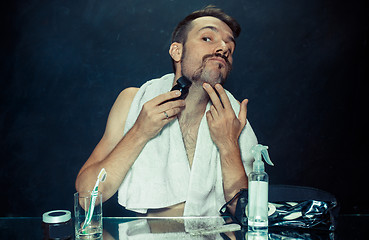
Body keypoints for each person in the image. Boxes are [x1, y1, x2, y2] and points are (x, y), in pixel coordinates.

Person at [75, 6, 257, 217]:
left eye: (230, 47)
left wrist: (228, 145)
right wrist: (140, 131)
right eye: (208, 38)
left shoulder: (233, 116)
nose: (223, 48)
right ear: (176, 51)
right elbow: (87, 196)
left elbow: (247, 214)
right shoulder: (133, 101)